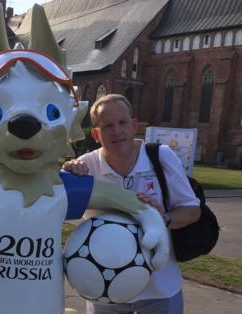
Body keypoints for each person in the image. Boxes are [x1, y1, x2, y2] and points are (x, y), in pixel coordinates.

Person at [62, 94, 200, 314]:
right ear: (96, 134)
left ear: (134, 125)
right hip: (105, 287)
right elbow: (57, 203)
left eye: (123, 122)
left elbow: (192, 210)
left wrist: (161, 218)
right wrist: (69, 173)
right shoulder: (87, 166)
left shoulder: (160, 156)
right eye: (108, 125)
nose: (117, 131)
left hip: (159, 288)